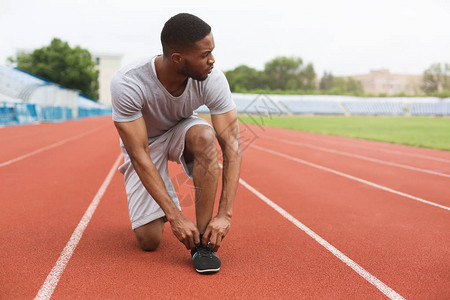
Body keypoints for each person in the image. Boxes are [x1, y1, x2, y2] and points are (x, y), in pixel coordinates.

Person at [110, 13, 242, 274]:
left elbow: (232, 146)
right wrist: (175, 216)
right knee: (149, 241)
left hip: (182, 128)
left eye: (212, 52)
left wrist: (225, 214)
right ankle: (165, 207)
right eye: (205, 54)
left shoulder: (212, 78)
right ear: (179, 59)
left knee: (206, 137)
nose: (212, 60)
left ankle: (203, 243)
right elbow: (139, 154)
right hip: (145, 142)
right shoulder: (128, 82)